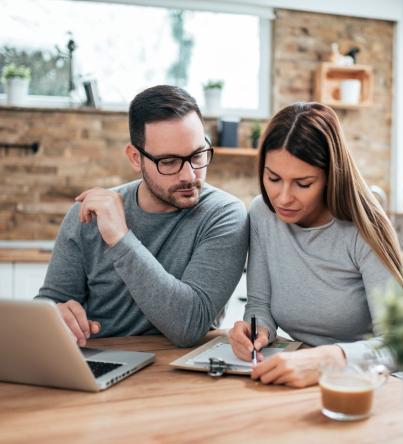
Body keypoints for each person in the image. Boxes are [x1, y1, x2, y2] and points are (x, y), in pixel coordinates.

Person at [36, 85, 248, 348]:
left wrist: (120, 238)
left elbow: (189, 325)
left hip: (181, 372)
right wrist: (54, 315)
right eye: (169, 162)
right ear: (136, 158)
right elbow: (48, 305)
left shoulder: (224, 215)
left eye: (197, 155)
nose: (189, 175)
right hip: (97, 362)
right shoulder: (89, 214)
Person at [229, 102, 403, 387]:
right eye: (273, 178)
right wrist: (256, 330)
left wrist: (331, 359)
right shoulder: (262, 214)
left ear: (330, 177)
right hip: (298, 376)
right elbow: (259, 305)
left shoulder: (364, 228)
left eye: (303, 183)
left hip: (364, 383)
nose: (283, 198)